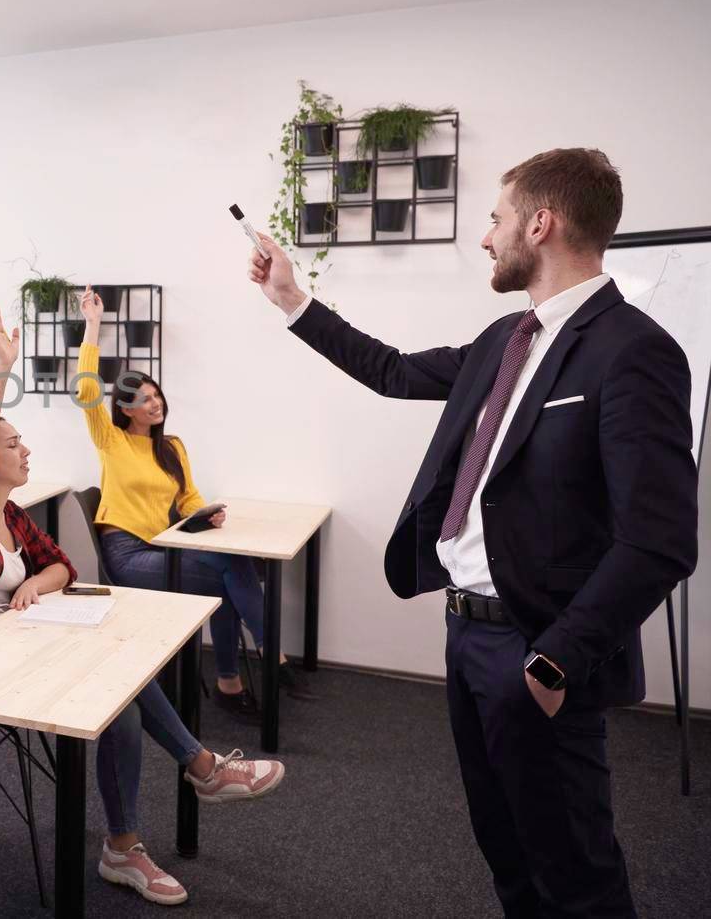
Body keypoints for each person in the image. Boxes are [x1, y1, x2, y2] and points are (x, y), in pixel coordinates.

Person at [247, 147, 698, 917]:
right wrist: (293, 299)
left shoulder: (636, 352)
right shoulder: (503, 341)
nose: (487, 238)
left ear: (541, 222)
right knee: (506, 847)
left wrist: (555, 659)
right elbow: (390, 369)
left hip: (538, 649)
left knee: (576, 869)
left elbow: (658, 539)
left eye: (496, 219)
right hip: (465, 635)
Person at [0, 306, 285, 907]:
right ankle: (198, 772)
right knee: (126, 673)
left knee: (122, 692)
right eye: (13, 443)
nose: (27, 450)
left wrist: (39, 583)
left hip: (24, 640)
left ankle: (126, 845)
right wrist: (1, 367)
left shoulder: (15, 517)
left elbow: (65, 565)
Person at [74, 288, 292, 720]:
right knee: (228, 581)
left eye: (156, 396)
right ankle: (263, 661)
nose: (153, 404)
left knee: (235, 566)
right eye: (142, 400)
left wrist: (208, 513)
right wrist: (93, 326)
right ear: (124, 409)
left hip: (166, 546)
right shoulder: (110, 440)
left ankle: (244, 672)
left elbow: (188, 497)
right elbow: (86, 390)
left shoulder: (172, 446)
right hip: (128, 552)